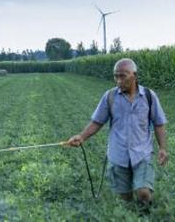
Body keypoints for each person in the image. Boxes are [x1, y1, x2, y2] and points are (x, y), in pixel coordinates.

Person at [68, 58, 168, 205]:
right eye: (116, 76)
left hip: (142, 155)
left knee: (144, 194)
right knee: (125, 200)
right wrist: (81, 137)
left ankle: (146, 214)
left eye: (123, 76)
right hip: (118, 155)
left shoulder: (148, 96)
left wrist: (163, 148)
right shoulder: (110, 97)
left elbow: (159, 124)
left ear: (134, 75)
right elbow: (97, 122)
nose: (118, 80)